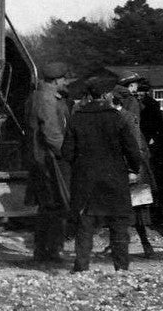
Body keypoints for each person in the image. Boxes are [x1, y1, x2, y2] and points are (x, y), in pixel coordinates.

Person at [62, 75, 142, 272]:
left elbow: (66, 153)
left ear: (89, 95)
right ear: (107, 95)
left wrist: (80, 165)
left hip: (85, 180)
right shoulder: (118, 119)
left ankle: (81, 267)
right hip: (114, 179)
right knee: (118, 225)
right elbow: (132, 151)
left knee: (85, 225)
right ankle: (121, 268)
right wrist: (134, 168)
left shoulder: (76, 119)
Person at [24, 61, 73, 263]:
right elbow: (52, 134)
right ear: (55, 81)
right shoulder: (47, 100)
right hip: (51, 160)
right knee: (57, 205)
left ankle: (42, 250)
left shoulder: (36, 96)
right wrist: (68, 153)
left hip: (39, 158)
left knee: (46, 207)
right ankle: (53, 250)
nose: (66, 82)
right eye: (64, 79)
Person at [113, 84, 157, 258]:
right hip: (129, 165)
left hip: (131, 166)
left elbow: (136, 145)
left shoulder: (126, 118)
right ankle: (141, 244)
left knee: (136, 208)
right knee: (133, 208)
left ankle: (145, 243)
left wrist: (134, 168)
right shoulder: (122, 117)